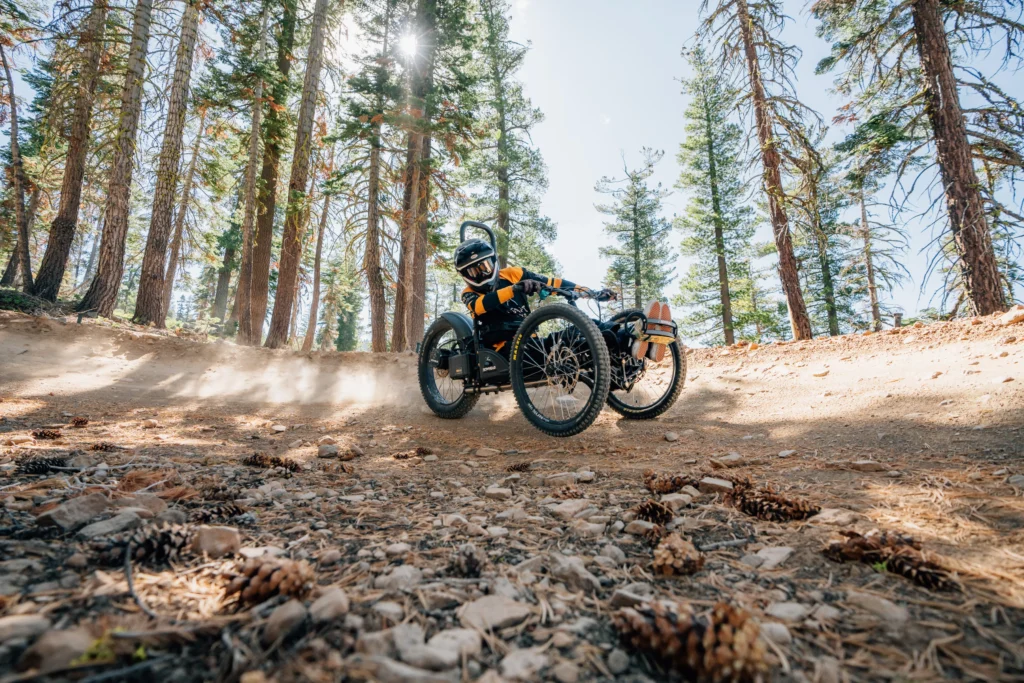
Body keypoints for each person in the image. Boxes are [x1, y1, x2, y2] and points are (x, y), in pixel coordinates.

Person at [454, 234, 672, 361]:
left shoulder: (512, 274)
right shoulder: (469, 294)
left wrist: (592, 293)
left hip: (531, 340)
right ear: (465, 276)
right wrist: (516, 289)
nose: (482, 273)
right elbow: (480, 307)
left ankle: (635, 337)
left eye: (484, 266)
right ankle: (630, 339)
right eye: (474, 271)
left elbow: (554, 283)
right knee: (573, 336)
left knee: (589, 325)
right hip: (503, 352)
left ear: (493, 261)